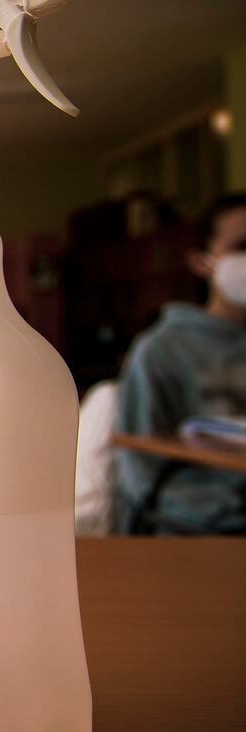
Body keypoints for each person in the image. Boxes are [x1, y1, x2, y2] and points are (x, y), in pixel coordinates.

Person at [114, 193, 246, 534]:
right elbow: (139, 473)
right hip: (200, 535)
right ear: (202, 262)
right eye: (241, 247)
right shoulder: (161, 352)